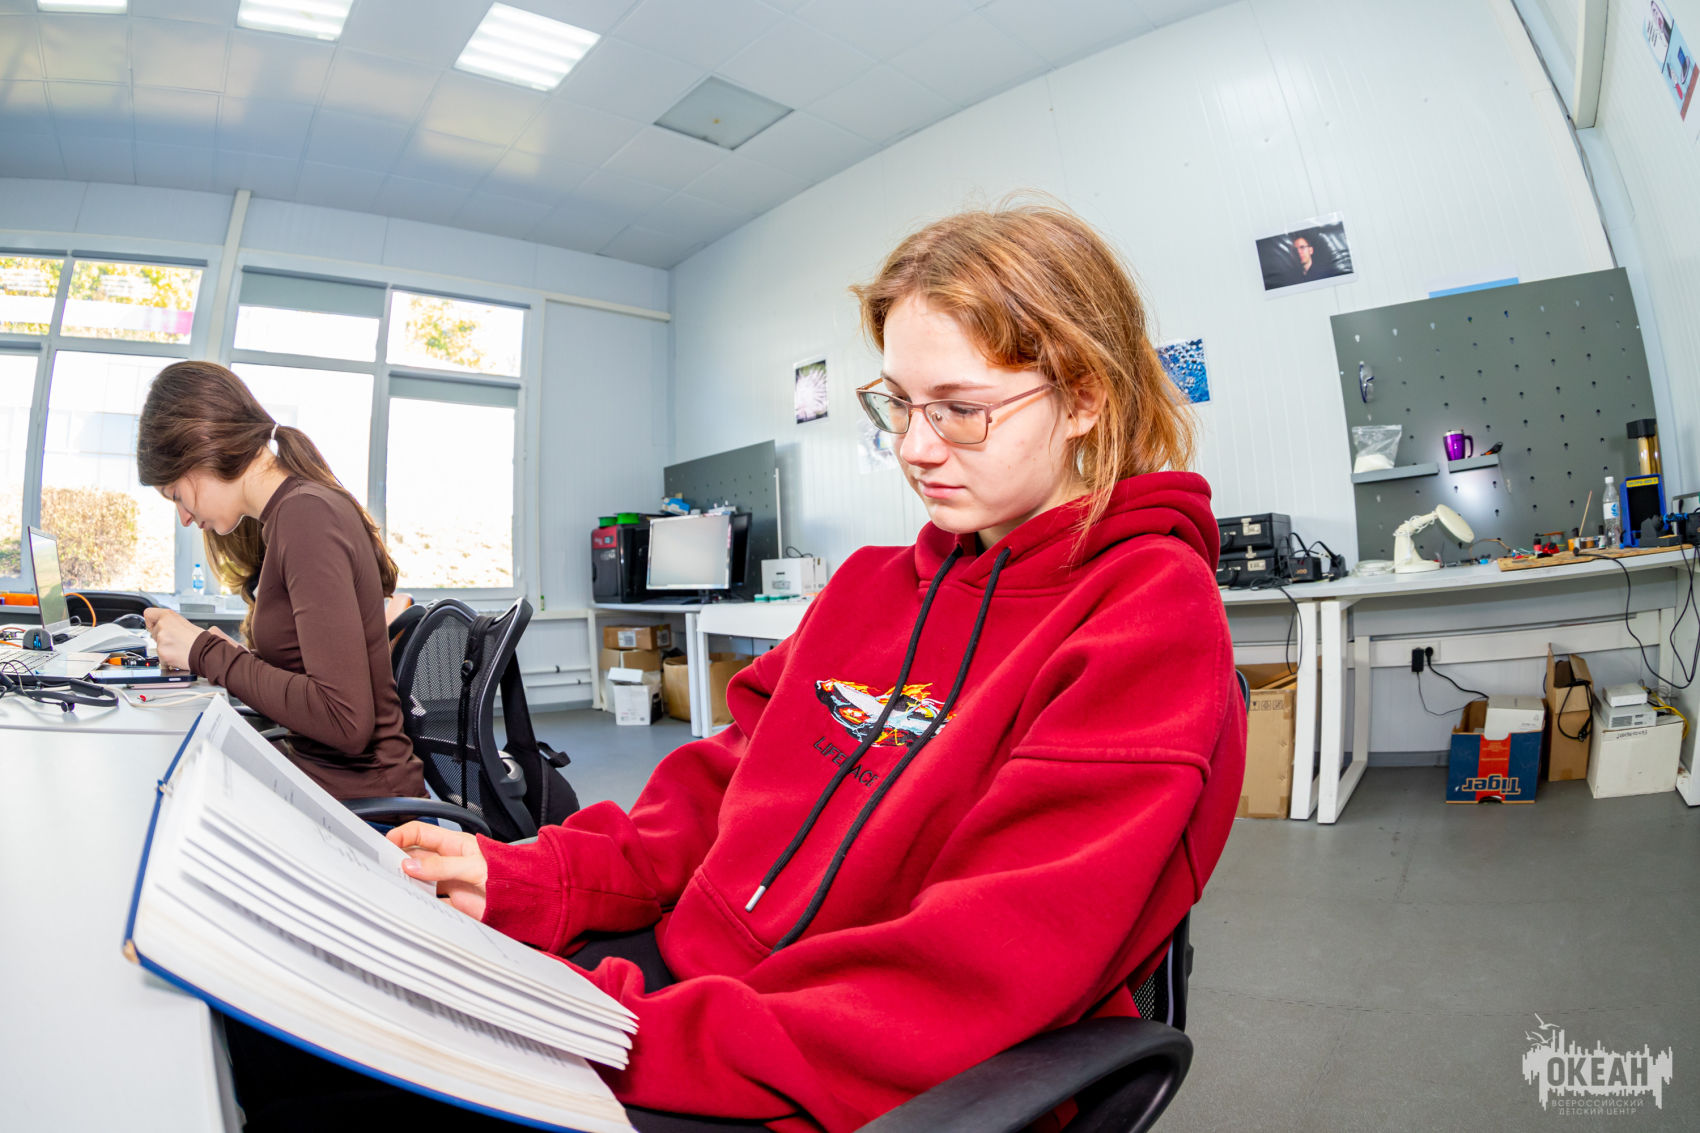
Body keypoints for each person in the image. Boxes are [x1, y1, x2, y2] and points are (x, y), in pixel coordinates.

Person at [239, 203, 1246, 1133]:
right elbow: (715, 794)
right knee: (294, 1031)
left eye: (958, 409)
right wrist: (534, 875)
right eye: (898, 404)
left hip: (850, 1069)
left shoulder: (1144, 610)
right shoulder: (867, 587)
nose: (914, 447)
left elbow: (980, 967)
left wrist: (611, 1030)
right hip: (702, 984)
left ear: (1083, 398)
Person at [136, 361, 425, 803]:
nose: (185, 518)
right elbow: (311, 674)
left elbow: (345, 720)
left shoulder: (305, 516)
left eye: (177, 494)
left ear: (202, 449)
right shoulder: (290, 514)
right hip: (334, 787)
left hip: (370, 807)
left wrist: (206, 653)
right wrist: (232, 658)